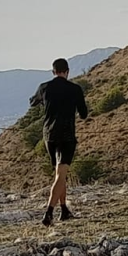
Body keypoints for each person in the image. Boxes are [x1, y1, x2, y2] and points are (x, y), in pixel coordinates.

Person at [30, 57, 88, 226]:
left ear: (53, 72)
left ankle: (64, 209)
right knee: (61, 175)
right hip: (67, 135)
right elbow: (84, 114)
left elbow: (32, 102)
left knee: (58, 174)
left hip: (49, 135)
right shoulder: (75, 89)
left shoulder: (44, 87)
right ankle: (49, 212)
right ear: (67, 71)